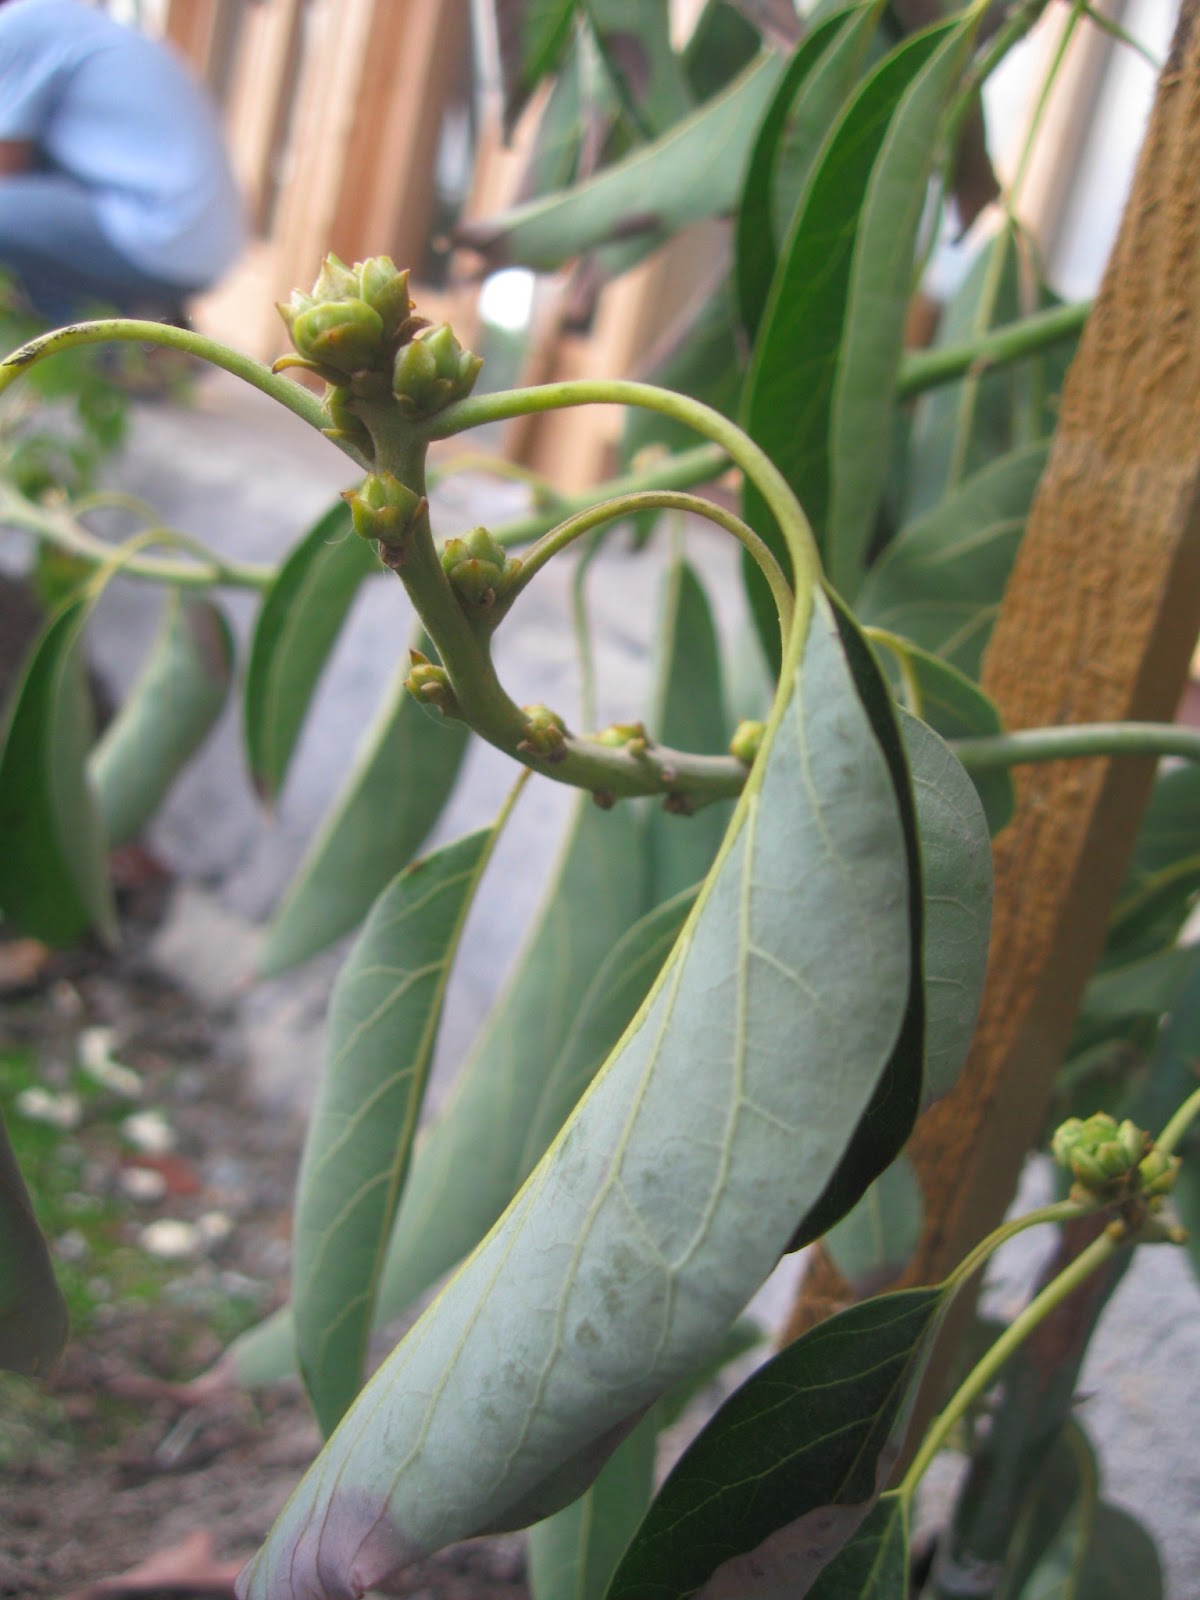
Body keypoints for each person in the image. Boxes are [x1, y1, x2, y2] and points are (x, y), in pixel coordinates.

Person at [0, 0, 244, 325]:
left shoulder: (22, 23)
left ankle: (96, 343)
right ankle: (130, 334)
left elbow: (6, 169)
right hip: (203, 245)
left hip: (158, 233)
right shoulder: (69, 20)